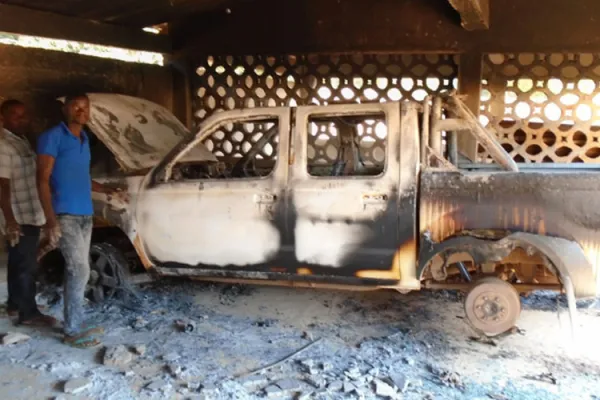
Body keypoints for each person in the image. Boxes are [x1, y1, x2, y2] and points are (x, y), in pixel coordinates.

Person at [37, 94, 120, 348]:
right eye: (76, 106)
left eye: (86, 107)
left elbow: (82, 177)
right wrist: (51, 220)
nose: (81, 111)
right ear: (65, 109)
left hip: (85, 215)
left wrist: (108, 191)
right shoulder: (52, 137)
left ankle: (75, 322)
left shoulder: (84, 139)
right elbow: (42, 179)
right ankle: (72, 330)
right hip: (65, 215)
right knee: (79, 269)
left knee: (79, 270)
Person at [0, 99, 57, 327]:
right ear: (3, 118)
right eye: (16, 116)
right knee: (26, 265)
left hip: (28, 212)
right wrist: (10, 220)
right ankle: (29, 314)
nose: (22, 120)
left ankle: (15, 304)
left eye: (24, 115)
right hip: (20, 215)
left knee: (17, 261)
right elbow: (2, 184)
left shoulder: (21, 141)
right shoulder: (4, 145)